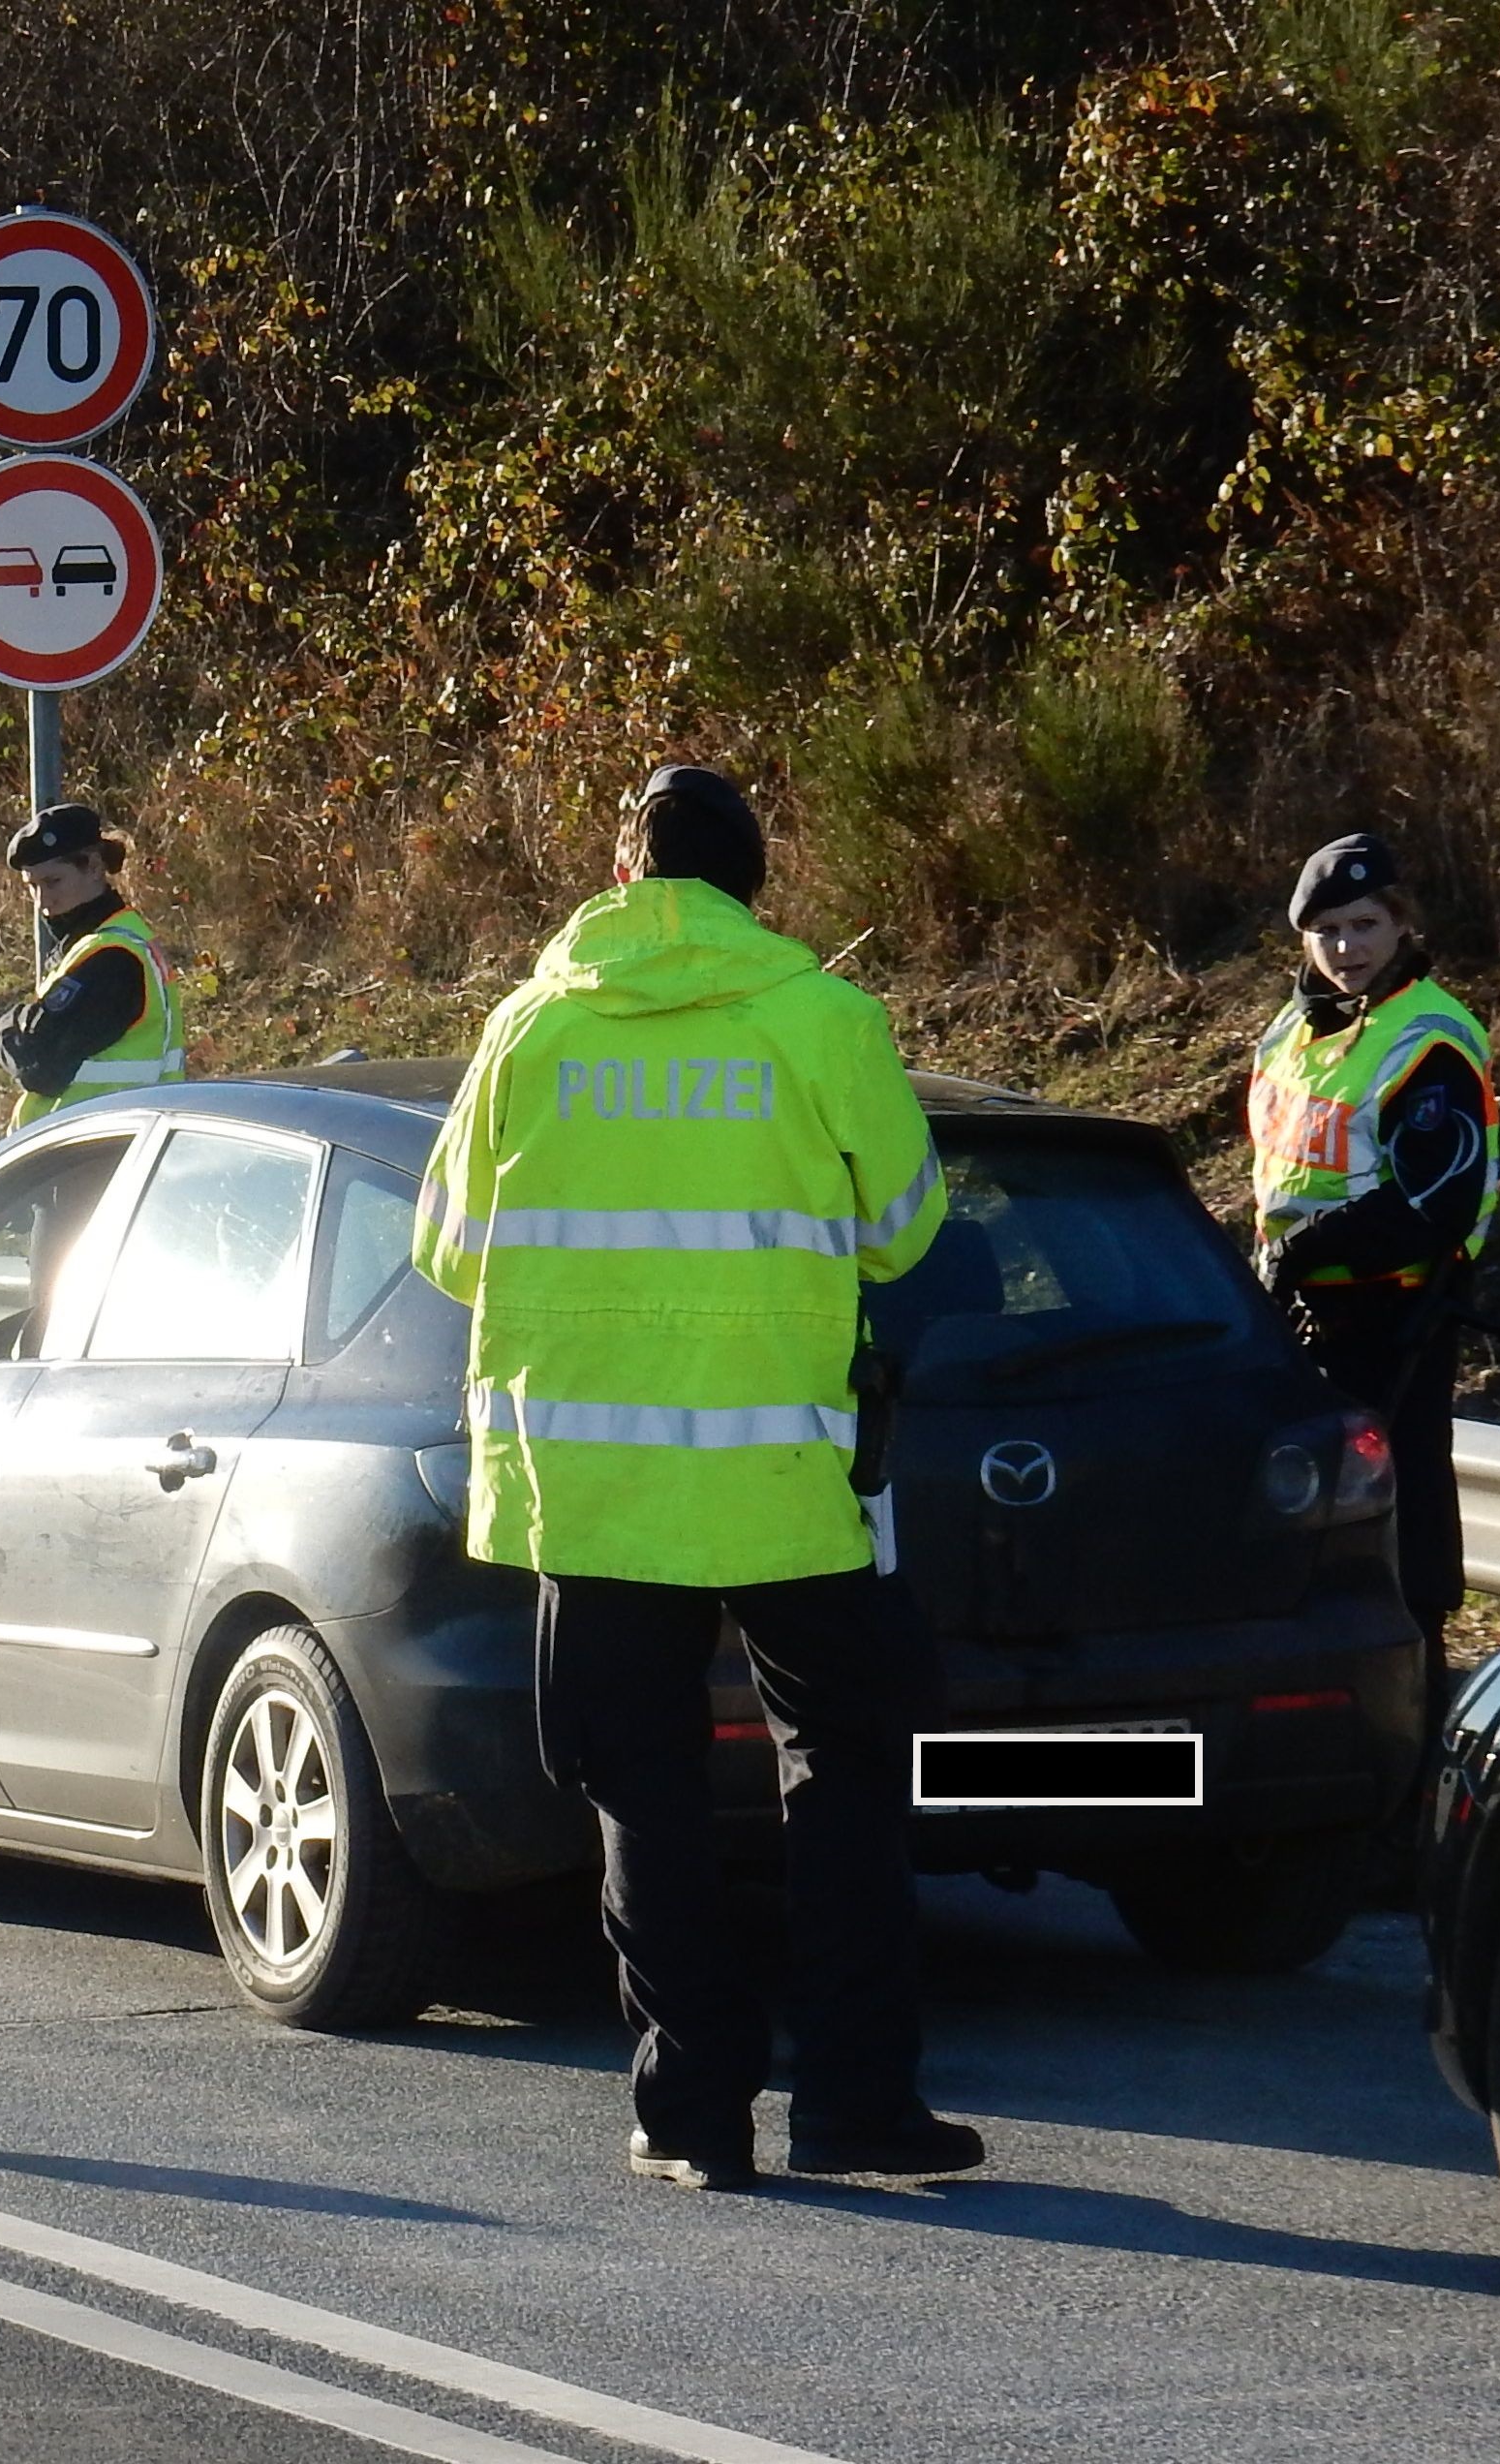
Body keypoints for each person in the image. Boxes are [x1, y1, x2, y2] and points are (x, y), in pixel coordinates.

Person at [411, 763, 982, 2191]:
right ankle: (855, 2106)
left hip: (589, 1492)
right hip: (782, 1480)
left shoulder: (528, 1029)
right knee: (843, 1775)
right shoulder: (821, 1020)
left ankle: (688, 2117)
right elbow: (906, 1230)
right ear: (753, 884)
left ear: (621, 881)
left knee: (641, 1802)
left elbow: (447, 1249)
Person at [1248, 832, 1496, 1692]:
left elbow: (1435, 1205)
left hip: (1392, 1314)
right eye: (1326, 931)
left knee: (1401, 1522)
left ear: (1399, 927)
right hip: (1297, 1309)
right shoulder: (1295, 1028)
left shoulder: (1425, 1038)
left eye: (1363, 925)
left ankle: (1420, 1711)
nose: (1346, 948)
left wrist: (1307, 1249)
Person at [0, 800, 183, 1124]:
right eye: (33, 887)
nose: (43, 902)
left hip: (98, 1146)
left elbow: (40, 1064)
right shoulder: (112, 938)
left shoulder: (112, 956)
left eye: (53, 882)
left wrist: (5, 1026)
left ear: (95, 868)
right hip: (117, 1137)